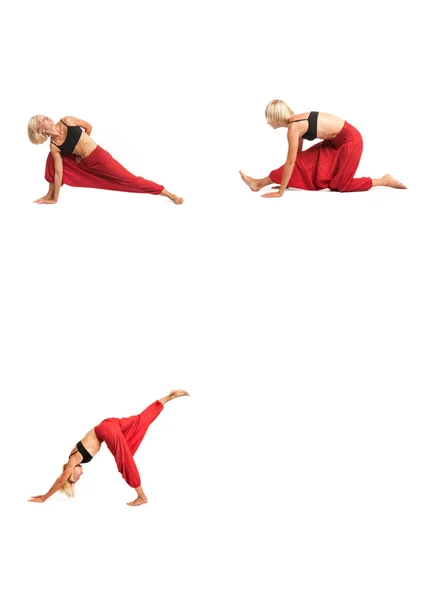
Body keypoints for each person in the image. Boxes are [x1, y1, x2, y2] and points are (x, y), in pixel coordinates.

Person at [28, 389, 189, 506]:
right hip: (111, 425)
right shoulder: (77, 458)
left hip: (105, 430)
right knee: (139, 423)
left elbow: (60, 480)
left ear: (69, 473)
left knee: (124, 462)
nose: (79, 475)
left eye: (75, 476)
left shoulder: (73, 459)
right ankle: (169, 397)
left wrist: (45, 497)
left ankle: (142, 497)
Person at [240, 100, 406, 197]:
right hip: (335, 143)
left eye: (269, 119)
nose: (268, 123)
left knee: (341, 185)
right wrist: (287, 179)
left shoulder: (293, 128)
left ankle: (384, 180)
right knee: (302, 163)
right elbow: (297, 160)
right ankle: (259, 183)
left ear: (276, 118)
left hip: (351, 142)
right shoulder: (296, 122)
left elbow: (290, 162)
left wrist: (281, 191)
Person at [28, 115, 183, 204]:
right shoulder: (54, 145)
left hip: (100, 158)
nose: (46, 117)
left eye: (43, 116)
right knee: (51, 160)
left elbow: (88, 127)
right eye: (42, 120)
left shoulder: (66, 121)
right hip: (87, 164)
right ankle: (50, 195)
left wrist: (84, 144)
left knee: (130, 179)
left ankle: (169, 194)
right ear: (41, 130)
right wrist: (56, 198)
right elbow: (58, 173)